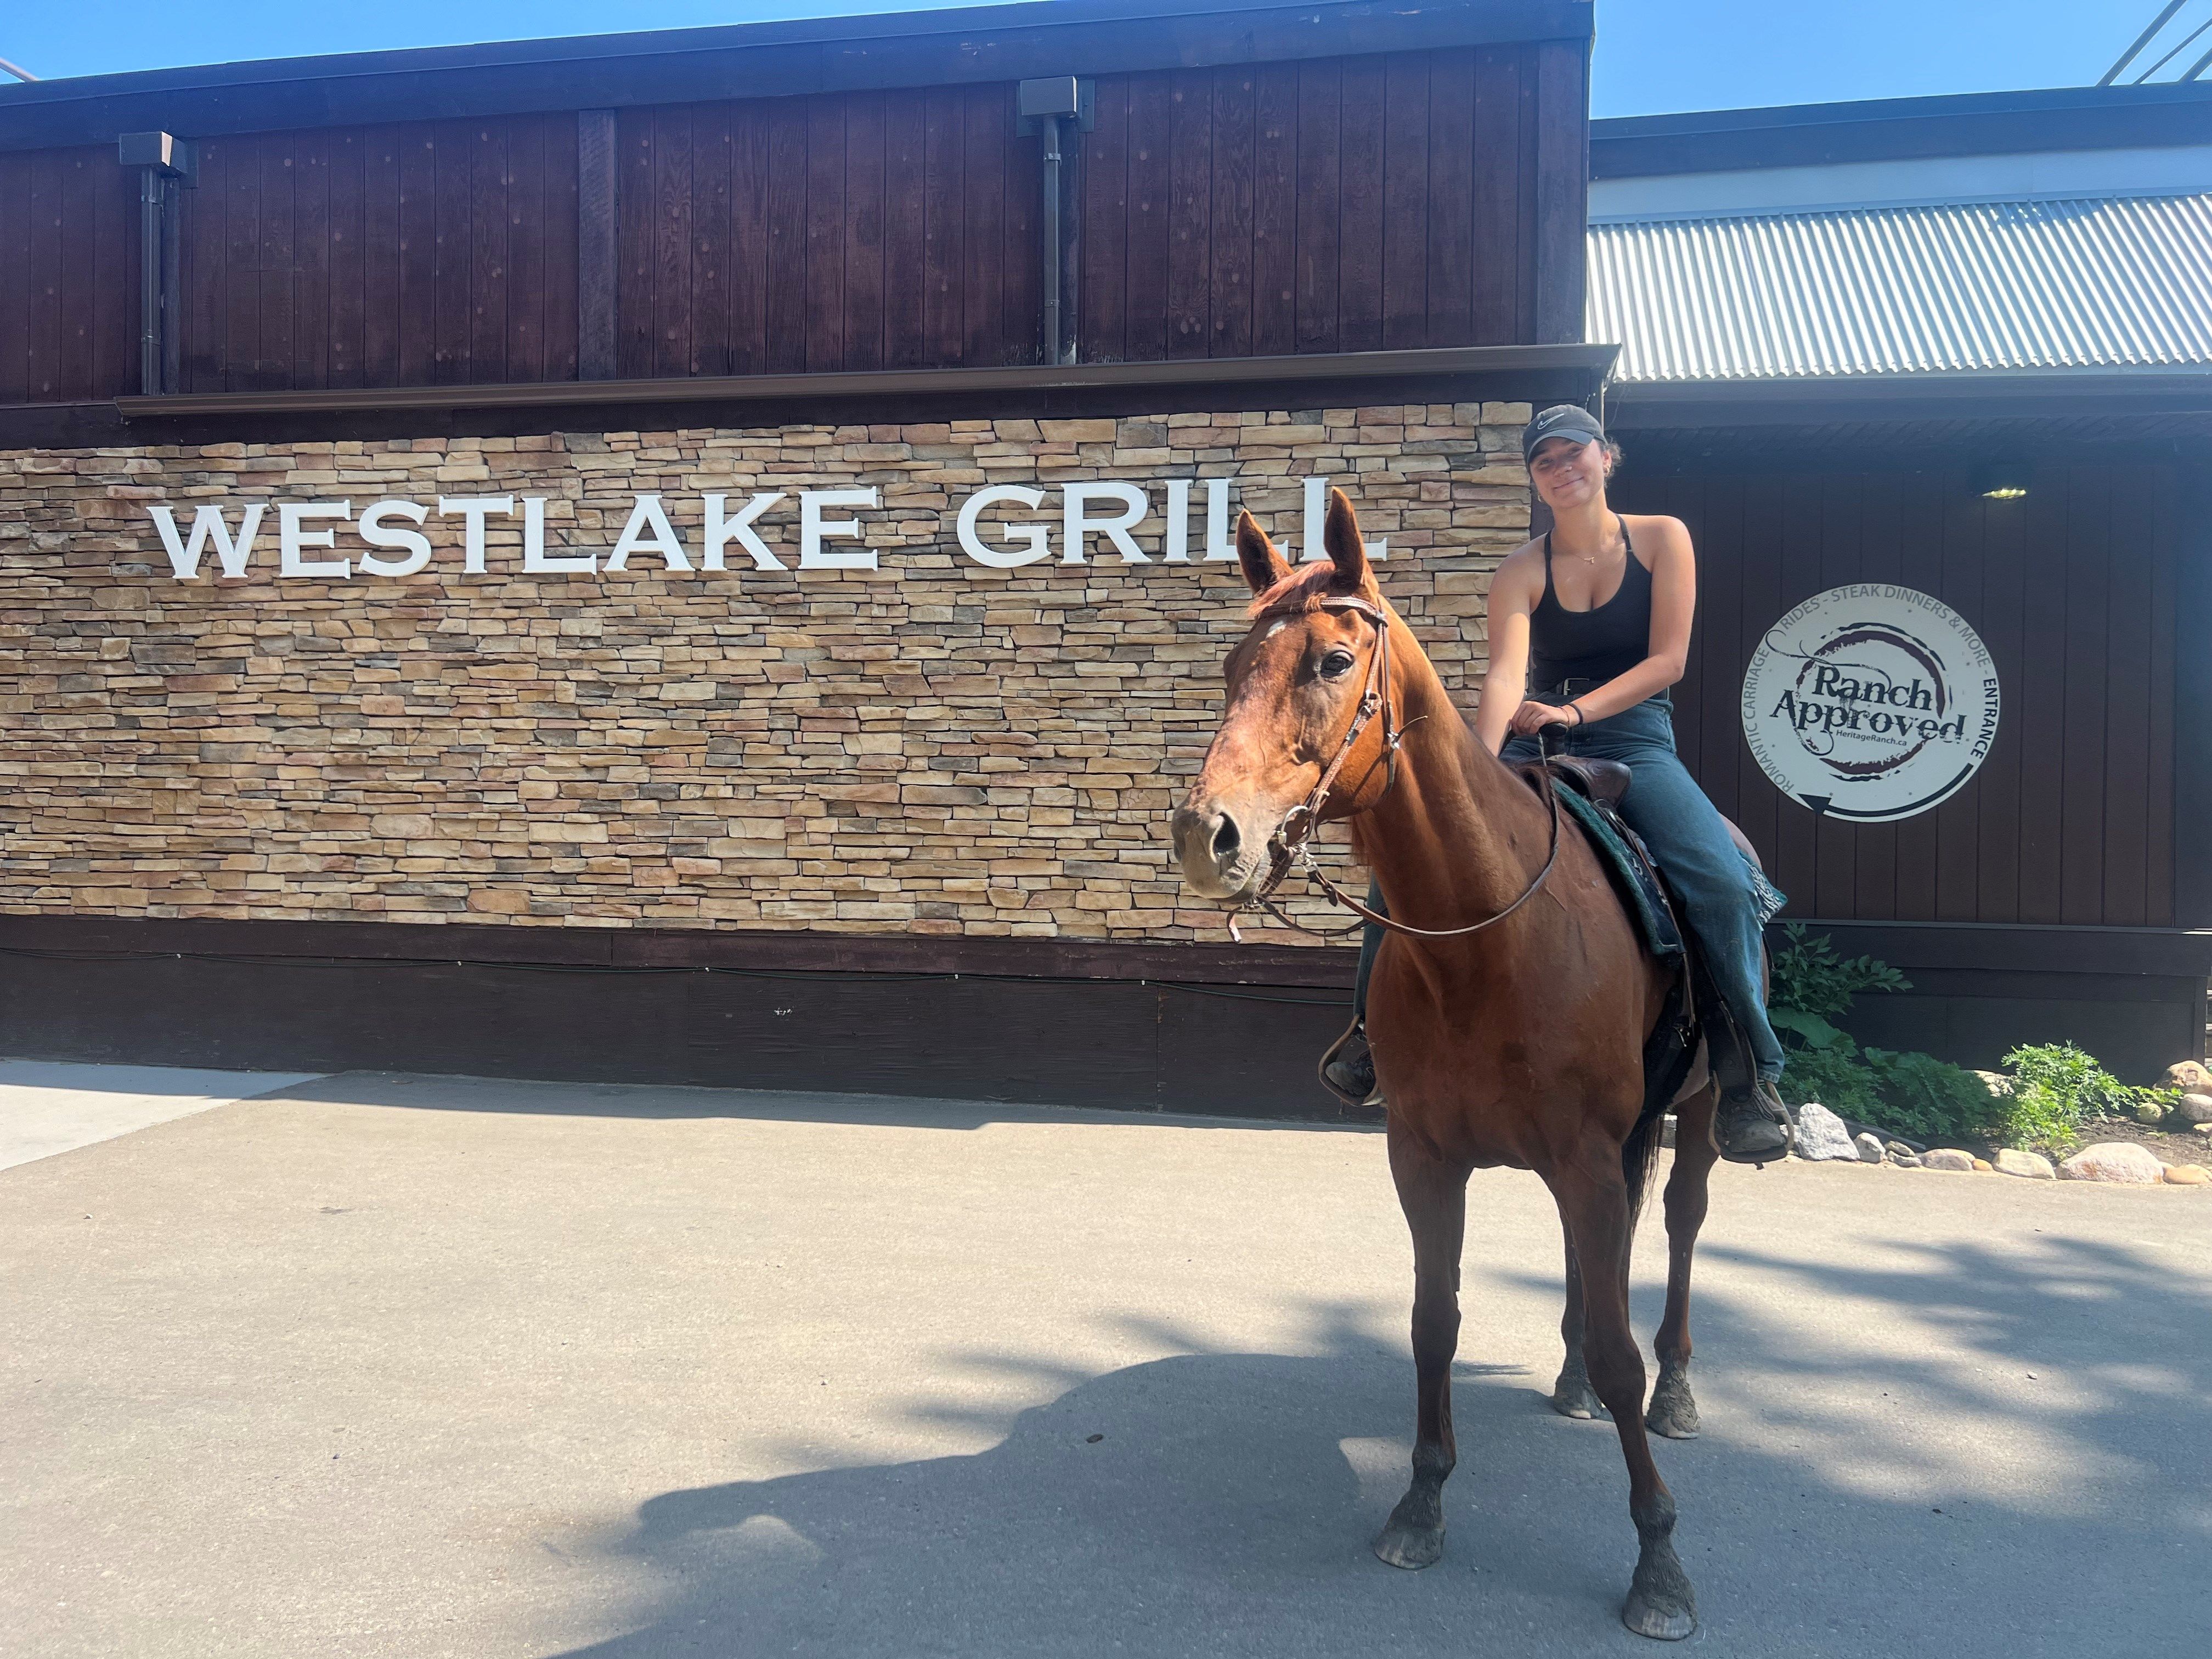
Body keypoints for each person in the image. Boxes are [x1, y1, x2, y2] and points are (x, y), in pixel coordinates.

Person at [1322, 405, 1793, 1164]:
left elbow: (1668, 660)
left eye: (1575, 453)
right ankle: (1368, 1041)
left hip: (1636, 738)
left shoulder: (1664, 537)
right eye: (1546, 461)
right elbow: (1508, 672)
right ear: (1535, 480)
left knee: (1722, 880)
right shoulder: (1521, 568)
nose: (1563, 468)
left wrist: (1577, 708)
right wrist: (1471, 765)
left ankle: (1747, 1074)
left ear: (1607, 458)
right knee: (1411, 857)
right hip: (1531, 738)